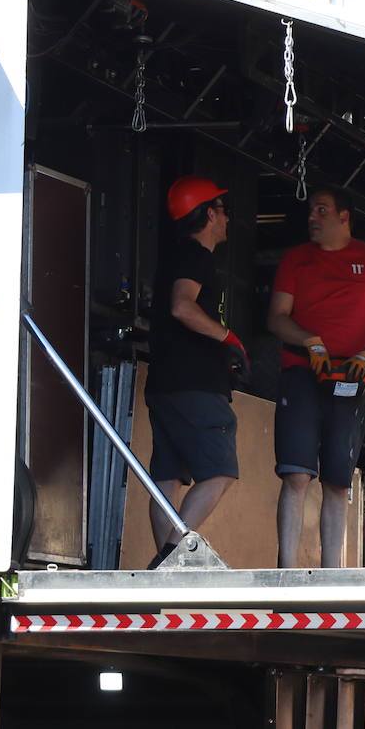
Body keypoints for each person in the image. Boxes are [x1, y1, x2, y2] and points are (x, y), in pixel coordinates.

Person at [268, 187, 365, 568]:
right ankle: (286, 570)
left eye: (321, 210)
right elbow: (277, 317)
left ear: (344, 217)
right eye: (311, 210)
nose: (313, 216)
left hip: (350, 377)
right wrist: (309, 343)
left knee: (338, 482)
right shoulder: (297, 260)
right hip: (302, 371)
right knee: (295, 475)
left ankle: (332, 572)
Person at [144, 175, 249, 567]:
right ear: (209, 213)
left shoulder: (174, 256)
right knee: (220, 470)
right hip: (195, 385)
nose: (227, 219)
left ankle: (163, 570)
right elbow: (183, 307)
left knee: (167, 481)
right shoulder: (195, 256)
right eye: (224, 211)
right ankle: (171, 559)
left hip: (166, 384)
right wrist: (229, 339)